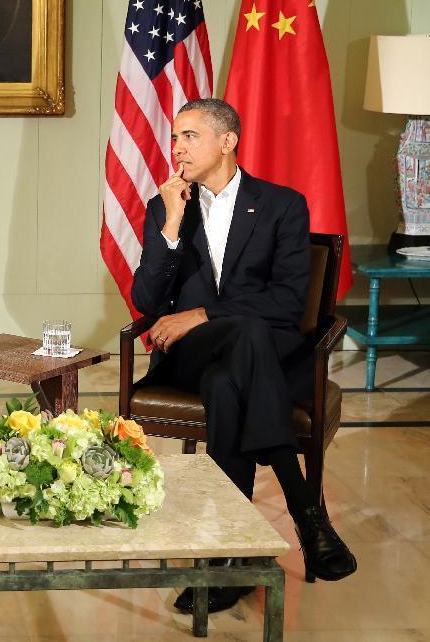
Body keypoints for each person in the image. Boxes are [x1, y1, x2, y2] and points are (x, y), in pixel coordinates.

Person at [131, 98, 356, 615]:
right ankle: (307, 515)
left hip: (256, 355)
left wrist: (202, 313)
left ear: (227, 140)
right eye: (175, 137)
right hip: (189, 356)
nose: (177, 147)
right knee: (247, 335)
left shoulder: (282, 205)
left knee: (232, 378)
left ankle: (228, 559)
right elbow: (146, 302)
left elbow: (287, 302)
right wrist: (169, 226)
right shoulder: (168, 207)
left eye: (189, 135)